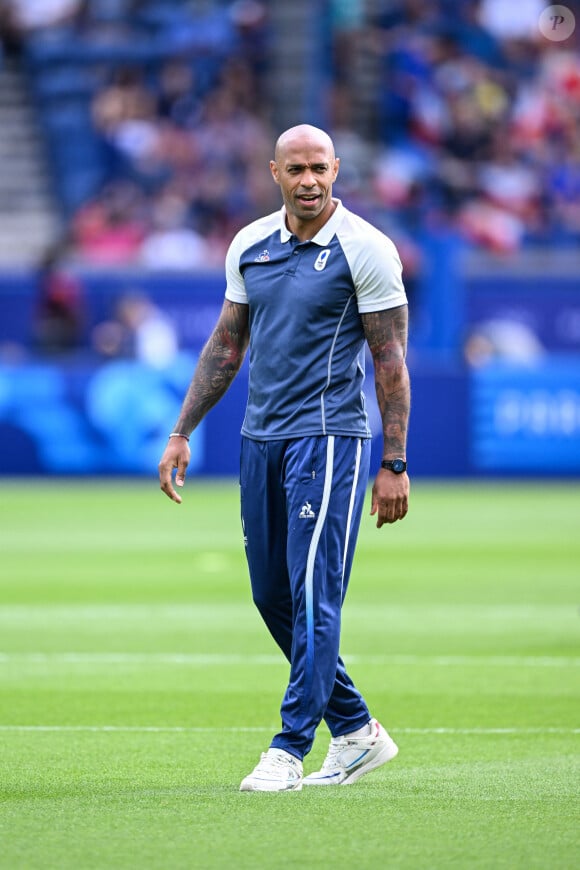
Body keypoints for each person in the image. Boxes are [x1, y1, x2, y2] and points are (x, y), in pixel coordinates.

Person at [158, 124, 411, 792]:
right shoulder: (250, 244)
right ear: (274, 172)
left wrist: (395, 461)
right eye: (295, 169)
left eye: (319, 168)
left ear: (337, 169)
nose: (308, 181)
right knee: (272, 594)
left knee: (312, 593)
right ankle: (356, 731)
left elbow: (390, 360)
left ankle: (289, 747)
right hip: (259, 437)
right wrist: (183, 429)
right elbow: (225, 344)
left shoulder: (366, 248)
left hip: (329, 437)